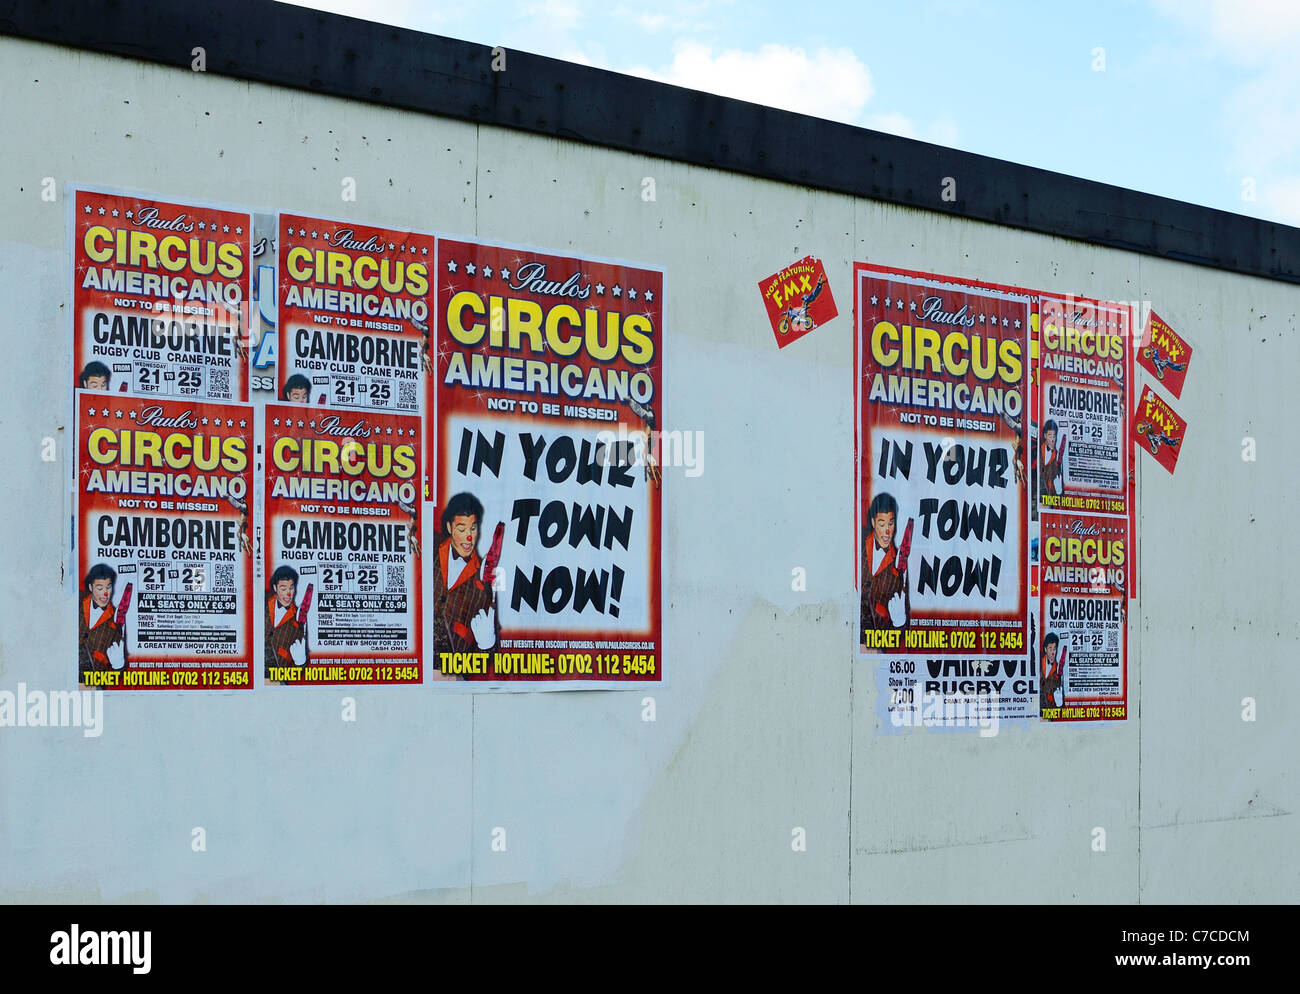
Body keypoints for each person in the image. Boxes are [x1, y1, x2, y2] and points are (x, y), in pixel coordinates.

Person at [432, 492, 499, 678]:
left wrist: (487, 645)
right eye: (461, 529)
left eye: (473, 528)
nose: (468, 537)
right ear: (449, 527)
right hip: (408, 672)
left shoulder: (485, 587)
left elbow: (488, 661)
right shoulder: (428, 546)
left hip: (450, 680)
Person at [860, 492, 910, 646]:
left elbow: (902, 636)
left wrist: (899, 622)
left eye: (891, 523)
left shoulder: (900, 569)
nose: (887, 531)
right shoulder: (859, 544)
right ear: (873, 522)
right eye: (882, 524)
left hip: (875, 649)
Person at [79, 563, 127, 681]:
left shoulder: (117, 623)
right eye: (100, 588)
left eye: (108, 587)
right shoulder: (76, 600)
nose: (105, 593)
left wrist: (119, 666)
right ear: (91, 587)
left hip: (91, 687)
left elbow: (118, 678)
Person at [265, 564, 309, 673]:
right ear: (275, 588)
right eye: (283, 588)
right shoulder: (262, 601)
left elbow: (301, 672)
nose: (289, 594)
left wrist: (301, 662)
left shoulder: (300, 620)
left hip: (277, 679)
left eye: (291, 588)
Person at [1040, 418, 1064, 500]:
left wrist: (1058, 491)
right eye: (1050, 436)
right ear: (1045, 436)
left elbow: (1057, 476)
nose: (1052, 440)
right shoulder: (1038, 449)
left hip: (1047, 495)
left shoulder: (1057, 457)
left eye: (1054, 436)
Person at [1041, 631, 1065, 711]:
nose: (1052, 653)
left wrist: (1060, 704)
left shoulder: (1059, 670)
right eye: (1050, 649)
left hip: (1049, 713)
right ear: (1045, 649)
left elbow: (1061, 706)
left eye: (1054, 649)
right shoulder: (1038, 662)